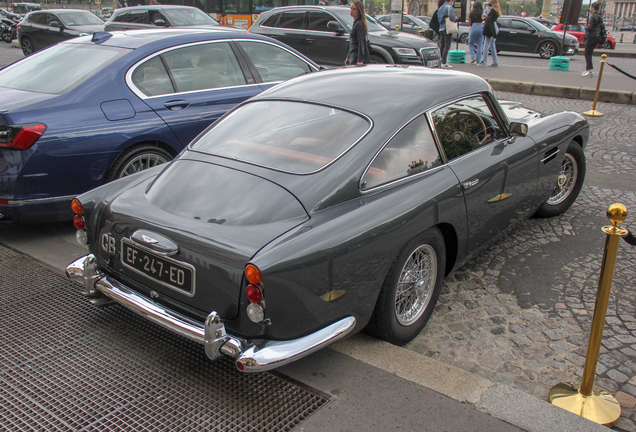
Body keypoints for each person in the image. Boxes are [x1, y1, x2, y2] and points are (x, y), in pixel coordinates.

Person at [346, 0, 370, 65]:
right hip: (353, 56)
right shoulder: (356, 23)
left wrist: (360, 60)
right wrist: (348, 57)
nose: (351, 10)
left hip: (356, 57)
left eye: (354, 9)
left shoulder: (359, 24)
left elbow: (361, 42)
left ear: (359, 11)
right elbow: (352, 42)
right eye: (351, 8)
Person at [582, 2, 603, 77]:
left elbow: (590, 28)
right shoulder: (600, 15)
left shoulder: (593, 16)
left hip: (591, 36)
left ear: (593, 8)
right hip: (597, 36)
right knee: (590, 53)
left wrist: (585, 26)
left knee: (587, 53)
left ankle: (590, 70)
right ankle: (588, 69)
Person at [437, 0, 457, 68]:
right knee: (447, 45)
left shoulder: (441, 8)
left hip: (441, 27)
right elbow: (452, 17)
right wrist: (455, 18)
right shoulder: (449, 7)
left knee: (442, 45)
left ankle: (441, 60)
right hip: (447, 27)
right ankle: (444, 61)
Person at [480, 0, 500, 67]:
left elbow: (489, 20)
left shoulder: (492, 11)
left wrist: (485, 18)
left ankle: (484, 62)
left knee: (486, 46)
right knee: (492, 46)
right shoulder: (496, 10)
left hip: (491, 27)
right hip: (495, 26)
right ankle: (495, 61)